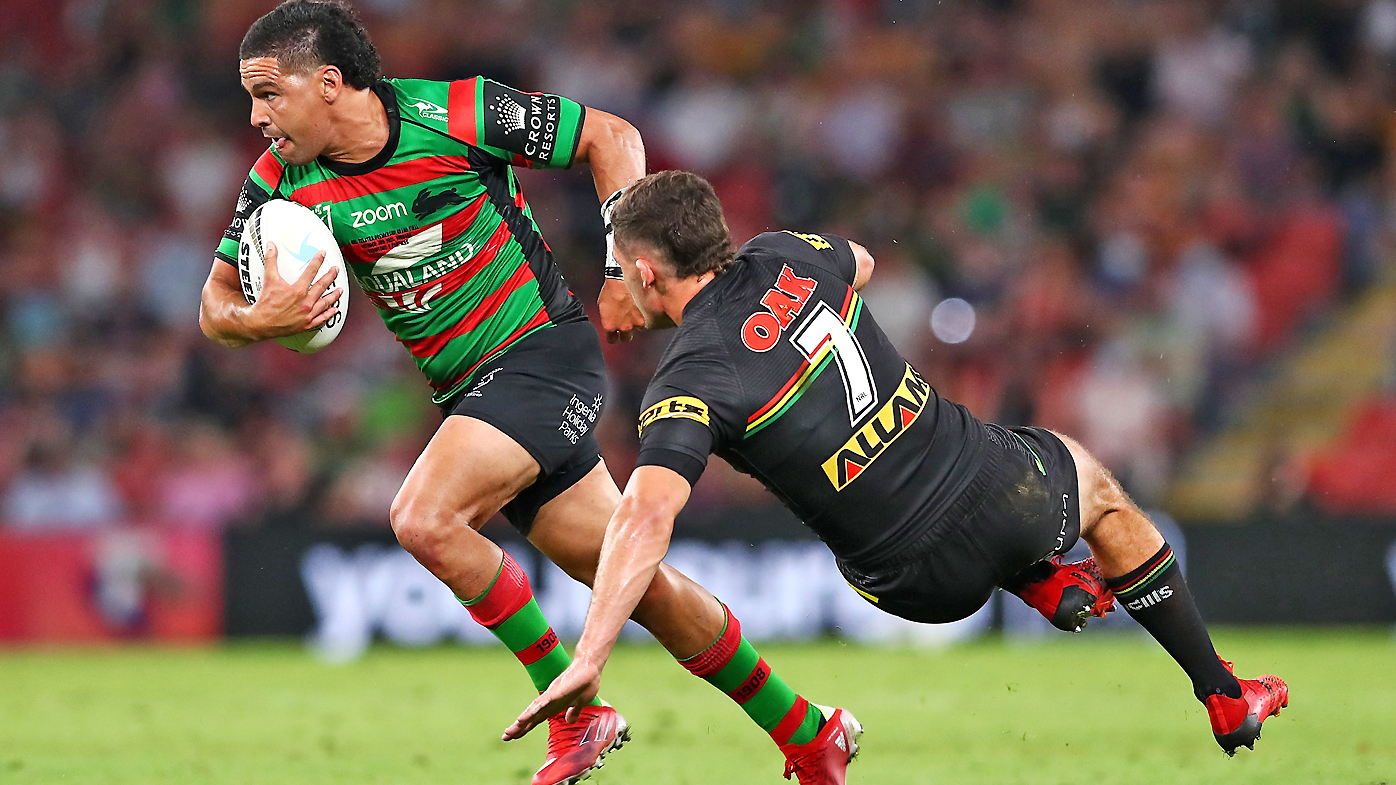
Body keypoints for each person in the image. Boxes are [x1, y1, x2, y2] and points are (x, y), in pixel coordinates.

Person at [198, 3, 836, 783]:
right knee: (639, 587)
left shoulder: (457, 112)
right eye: (250, 97)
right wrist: (256, 317)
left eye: (270, 94)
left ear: (329, 83)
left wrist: (616, 267)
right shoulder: (276, 183)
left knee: (423, 517)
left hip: (542, 354)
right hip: (472, 395)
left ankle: (576, 712)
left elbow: (613, 137)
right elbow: (214, 304)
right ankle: (808, 729)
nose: (257, 117)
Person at [505, 171, 1291, 773]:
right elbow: (865, 261)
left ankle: (1043, 579)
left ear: (646, 271)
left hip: (905, 585)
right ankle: (1224, 694)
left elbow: (645, 518)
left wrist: (590, 655)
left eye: (614, 269)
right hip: (998, 496)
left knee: (904, 487)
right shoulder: (784, 252)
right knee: (1093, 486)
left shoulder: (685, 384)